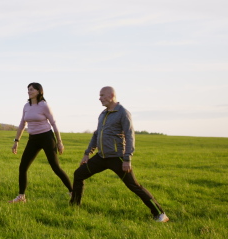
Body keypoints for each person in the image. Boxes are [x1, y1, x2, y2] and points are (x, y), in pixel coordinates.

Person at [70, 86, 169, 222]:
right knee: (79, 174)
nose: (100, 98)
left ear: (111, 95)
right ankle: (74, 206)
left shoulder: (123, 113)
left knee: (134, 186)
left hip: (118, 158)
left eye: (102, 95)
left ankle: (160, 213)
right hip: (101, 157)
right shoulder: (103, 114)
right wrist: (87, 153)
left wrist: (127, 159)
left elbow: (130, 136)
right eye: (100, 96)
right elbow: (96, 134)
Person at [9, 82, 73, 203]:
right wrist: (16, 141)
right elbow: (22, 124)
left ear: (39, 91)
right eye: (28, 89)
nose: (29, 91)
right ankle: (21, 196)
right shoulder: (26, 106)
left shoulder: (44, 105)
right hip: (33, 139)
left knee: (55, 167)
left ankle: (72, 191)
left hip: (47, 138)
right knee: (23, 167)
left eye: (32, 89)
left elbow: (54, 123)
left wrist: (59, 142)